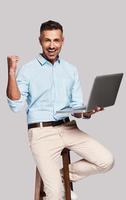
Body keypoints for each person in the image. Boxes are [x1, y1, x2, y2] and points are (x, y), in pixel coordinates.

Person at [6, 20, 114, 200]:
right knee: (55, 195)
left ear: (62, 41)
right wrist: (11, 72)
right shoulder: (28, 70)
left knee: (107, 161)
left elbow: (75, 107)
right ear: (40, 40)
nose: (51, 45)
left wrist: (85, 112)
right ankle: (57, 186)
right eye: (47, 40)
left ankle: (60, 178)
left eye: (56, 40)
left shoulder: (70, 70)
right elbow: (15, 105)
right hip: (41, 133)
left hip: (68, 128)